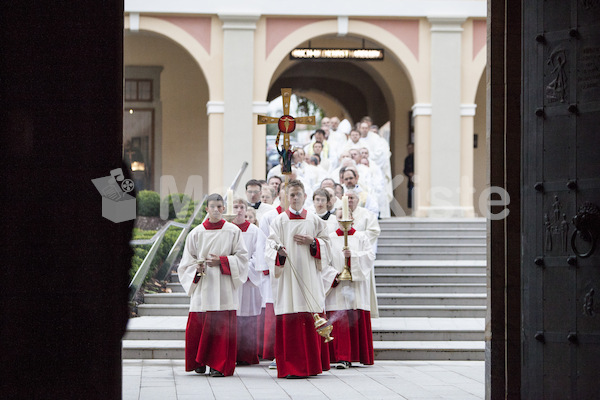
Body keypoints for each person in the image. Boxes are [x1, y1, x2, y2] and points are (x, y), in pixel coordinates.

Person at [265, 180, 333, 378]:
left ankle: (311, 366)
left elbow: (328, 245)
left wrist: (314, 242)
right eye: (291, 195)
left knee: (309, 312)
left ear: (304, 196)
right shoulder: (278, 221)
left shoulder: (314, 220)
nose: (295, 198)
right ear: (286, 197)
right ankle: (291, 367)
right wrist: (279, 254)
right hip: (287, 279)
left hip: (310, 275)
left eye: (298, 194)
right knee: (290, 315)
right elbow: (269, 246)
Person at [178, 193, 249, 377]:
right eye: (212, 207)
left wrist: (223, 261)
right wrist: (197, 267)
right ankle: (199, 362)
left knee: (221, 327)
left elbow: (242, 258)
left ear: (224, 209)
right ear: (206, 209)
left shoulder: (233, 231)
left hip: (224, 286)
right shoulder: (196, 233)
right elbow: (186, 264)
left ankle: (219, 364)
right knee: (199, 324)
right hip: (203, 286)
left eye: (219, 206)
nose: (216, 210)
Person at [326, 213, 375, 368]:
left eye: (346, 216)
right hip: (337, 286)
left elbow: (369, 257)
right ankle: (341, 357)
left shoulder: (362, 237)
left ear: (353, 219)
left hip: (356, 286)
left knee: (353, 317)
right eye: (340, 216)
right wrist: (335, 276)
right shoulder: (329, 238)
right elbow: (323, 262)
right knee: (339, 319)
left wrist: (352, 256)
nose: (343, 220)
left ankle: (355, 356)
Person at [231, 198, 266, 366]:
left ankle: (246, 355)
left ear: (246, 210)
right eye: (235, 207)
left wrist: (242, 269)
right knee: (231, 318)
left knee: (247, 317)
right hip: (229, 280)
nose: (238, 210)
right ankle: (231, 353)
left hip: (248, 282)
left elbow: (258, 255)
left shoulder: (254, 231)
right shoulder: (227, 229)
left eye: (241, 207)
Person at [345, 190, 381, 318]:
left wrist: (356, 239)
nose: (349, 201)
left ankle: (364, 311)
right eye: (347, 198)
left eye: (352, 198)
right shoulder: (340, 214)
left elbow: (374, 231)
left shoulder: (367, 215)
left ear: (358, 200)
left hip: (361, 256)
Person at [403, 143, 415, 210]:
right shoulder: (407, 159)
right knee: (411, 197)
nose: (409, 150)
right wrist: (409, 174)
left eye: (411, 148)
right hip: (411, 182)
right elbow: (405, 170)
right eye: (408, 148)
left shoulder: (417, 158)